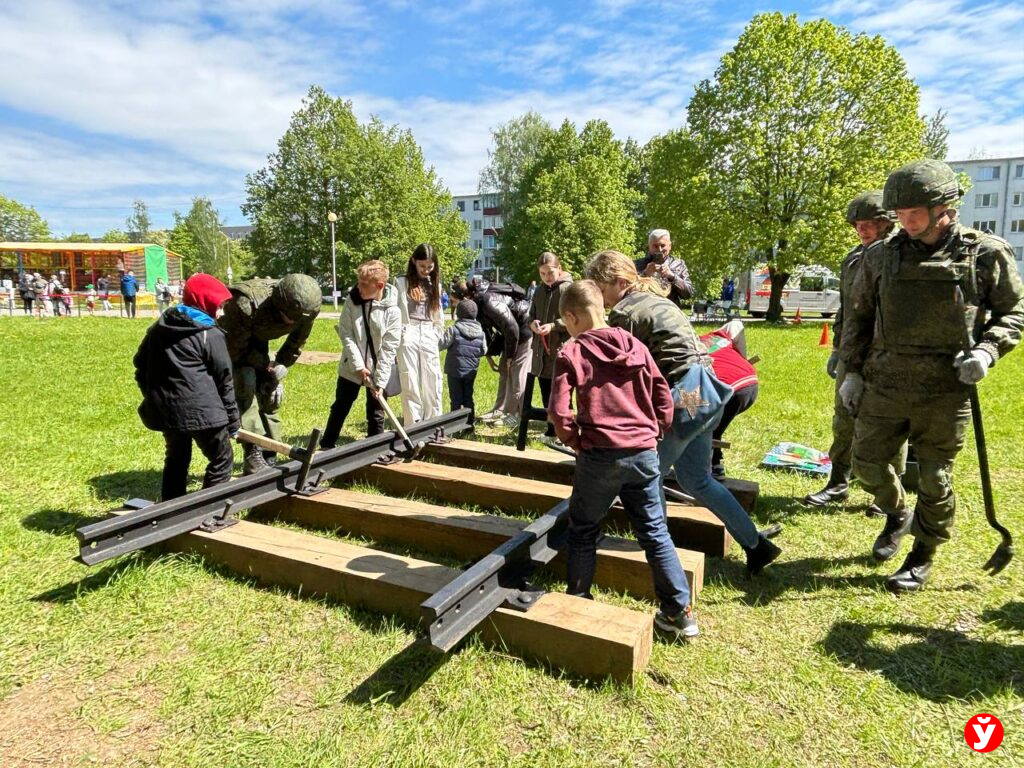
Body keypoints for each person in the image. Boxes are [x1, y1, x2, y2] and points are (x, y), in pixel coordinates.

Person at [840, 160, 1024, 593]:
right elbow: (858, 316)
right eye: (899, 214)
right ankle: (896, 511)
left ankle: (922, 552)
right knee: (866, 464)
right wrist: (850, 371)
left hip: (945, 389)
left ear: (944, 208)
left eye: (914, 213)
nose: (904, 221)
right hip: (884, 381)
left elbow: (1013, 311)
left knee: (935, 478)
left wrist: (988, 349)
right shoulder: (881, 255)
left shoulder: (984, 253)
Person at [587, 250, 781, 575]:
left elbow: (626, 372)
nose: (600, 298)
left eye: (600, 288)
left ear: (620, 282)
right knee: (697, 480)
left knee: (644, 477)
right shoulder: (657, 299)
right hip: (707, 391)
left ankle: (660, 556)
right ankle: (756, 545)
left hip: (684, 395)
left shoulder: (626, 311)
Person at [549, 280, 698, 639]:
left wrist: (574, 440)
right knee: (654, 531)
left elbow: (558, 411)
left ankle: (579, 602)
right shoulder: (635, 345)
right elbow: (663, 394)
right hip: (643, 453)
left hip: (599, 454)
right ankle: (679, 614)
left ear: (572, 317)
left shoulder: (572, 351)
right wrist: (656, 432)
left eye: (566, 322)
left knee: (583, 530)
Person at [806, 191, 899, 510]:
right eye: (858, 225)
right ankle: (838, 482)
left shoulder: (898, 257)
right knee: (843, 418)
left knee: (889, 423)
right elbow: (847, 309)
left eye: (870, 224)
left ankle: (888, 493)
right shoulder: (853, 258)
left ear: (886, 223)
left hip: (887, 353)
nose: (863, 230)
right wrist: (837, 347)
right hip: (852, 351)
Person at [133, 273, 239, 501]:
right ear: (204, 302)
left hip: (167, 412)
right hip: (204, 413)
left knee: (176, 458)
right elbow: (225, 380)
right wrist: (233, 420)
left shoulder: (159, 329)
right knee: (222, 459)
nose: (221, 313)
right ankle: (207, 510)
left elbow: (140, 366)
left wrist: (154, 396)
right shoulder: (209, 334)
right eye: (219, 306)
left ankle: (172, 509)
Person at [218, 273, 322, 473]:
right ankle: (253, 452)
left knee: (270, 394)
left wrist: (278, 369)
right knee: (245, 386)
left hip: (256, 340)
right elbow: (235, 351)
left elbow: (295, 343)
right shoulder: (246, 304)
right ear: (277, 304)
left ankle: (272, 450)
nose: (291, 323)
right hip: (232, 344)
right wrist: (263, 365)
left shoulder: (307, 311)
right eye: (288, 318)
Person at [321, 261, 400, 447]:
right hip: (351, 366)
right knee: (341, 406)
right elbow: (346, 333)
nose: (359, 287)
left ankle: (375, 448)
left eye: (364, 284)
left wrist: (380, 381)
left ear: (379, 286)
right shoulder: (352, 301)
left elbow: (389, 349)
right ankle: (326, 444)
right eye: (358, 282)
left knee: (376, 412)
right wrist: (358, 366)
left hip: (378, 369)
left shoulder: (393, 311)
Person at [466, 276, 533, 428]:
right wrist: (489, 355)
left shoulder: (489, 301)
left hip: (524, 330)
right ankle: (500, 409)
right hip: (510, 335)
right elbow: (487, 329)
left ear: (468, 296)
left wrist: (510, 356)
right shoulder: (478, 304)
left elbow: (512, 328)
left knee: (517, 373)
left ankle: (516, 415)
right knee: (504, 370)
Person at [699, 320, 759, 478]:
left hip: (729, 389)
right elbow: (736, 324)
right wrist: (742, 357)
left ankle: (707, 471)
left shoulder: (690, 346)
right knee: (714, 427)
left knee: (703, 428)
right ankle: (715, 465)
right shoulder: (717, 336)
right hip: (750, 383)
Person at [393, 244, 444, 425]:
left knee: (433, 377)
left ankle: (435, 420)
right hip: (409, 330)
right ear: (414, 261)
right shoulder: (401, 282)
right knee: (410, 378)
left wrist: (437, 331)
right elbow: (395, 311)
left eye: (430, 267)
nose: (426, 270)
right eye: (422, 266)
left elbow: (438, 312)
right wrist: (400, 335)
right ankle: (413, 422)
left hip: (429, 330)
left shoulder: (435, 282)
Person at [526, 252, 573, 442]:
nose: (547, 277)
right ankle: (551, 430)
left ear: (559, 269)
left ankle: (566, 432)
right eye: (543, 273)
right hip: (541, 354)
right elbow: (530, 316)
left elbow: (573, 319)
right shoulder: (538, 291)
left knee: (562, 394)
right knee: (546, 392)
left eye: (550, 272)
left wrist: (553, 326)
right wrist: (533, 325)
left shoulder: (567, 290)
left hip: (559, 350)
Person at [439, 298, 487, 427]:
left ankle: (454, 426)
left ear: (458, 314)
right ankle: (469, 424)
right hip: (471, 371)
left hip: (454, 370)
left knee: (455, 398)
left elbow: (441, 344)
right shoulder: (481, 333)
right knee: (468, 397)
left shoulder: (453, 330)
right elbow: (483, 351)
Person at [634, 229, 693, 308]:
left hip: (669, 313)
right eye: (655, 246)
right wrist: (644, 274)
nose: (659, 250)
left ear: (670, 246)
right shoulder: (637, 264)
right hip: (645, 311)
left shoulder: (678, 264)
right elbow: (628, 292)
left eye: (663, 245)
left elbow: (688, 294)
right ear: (649, 247)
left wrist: (672, 277)